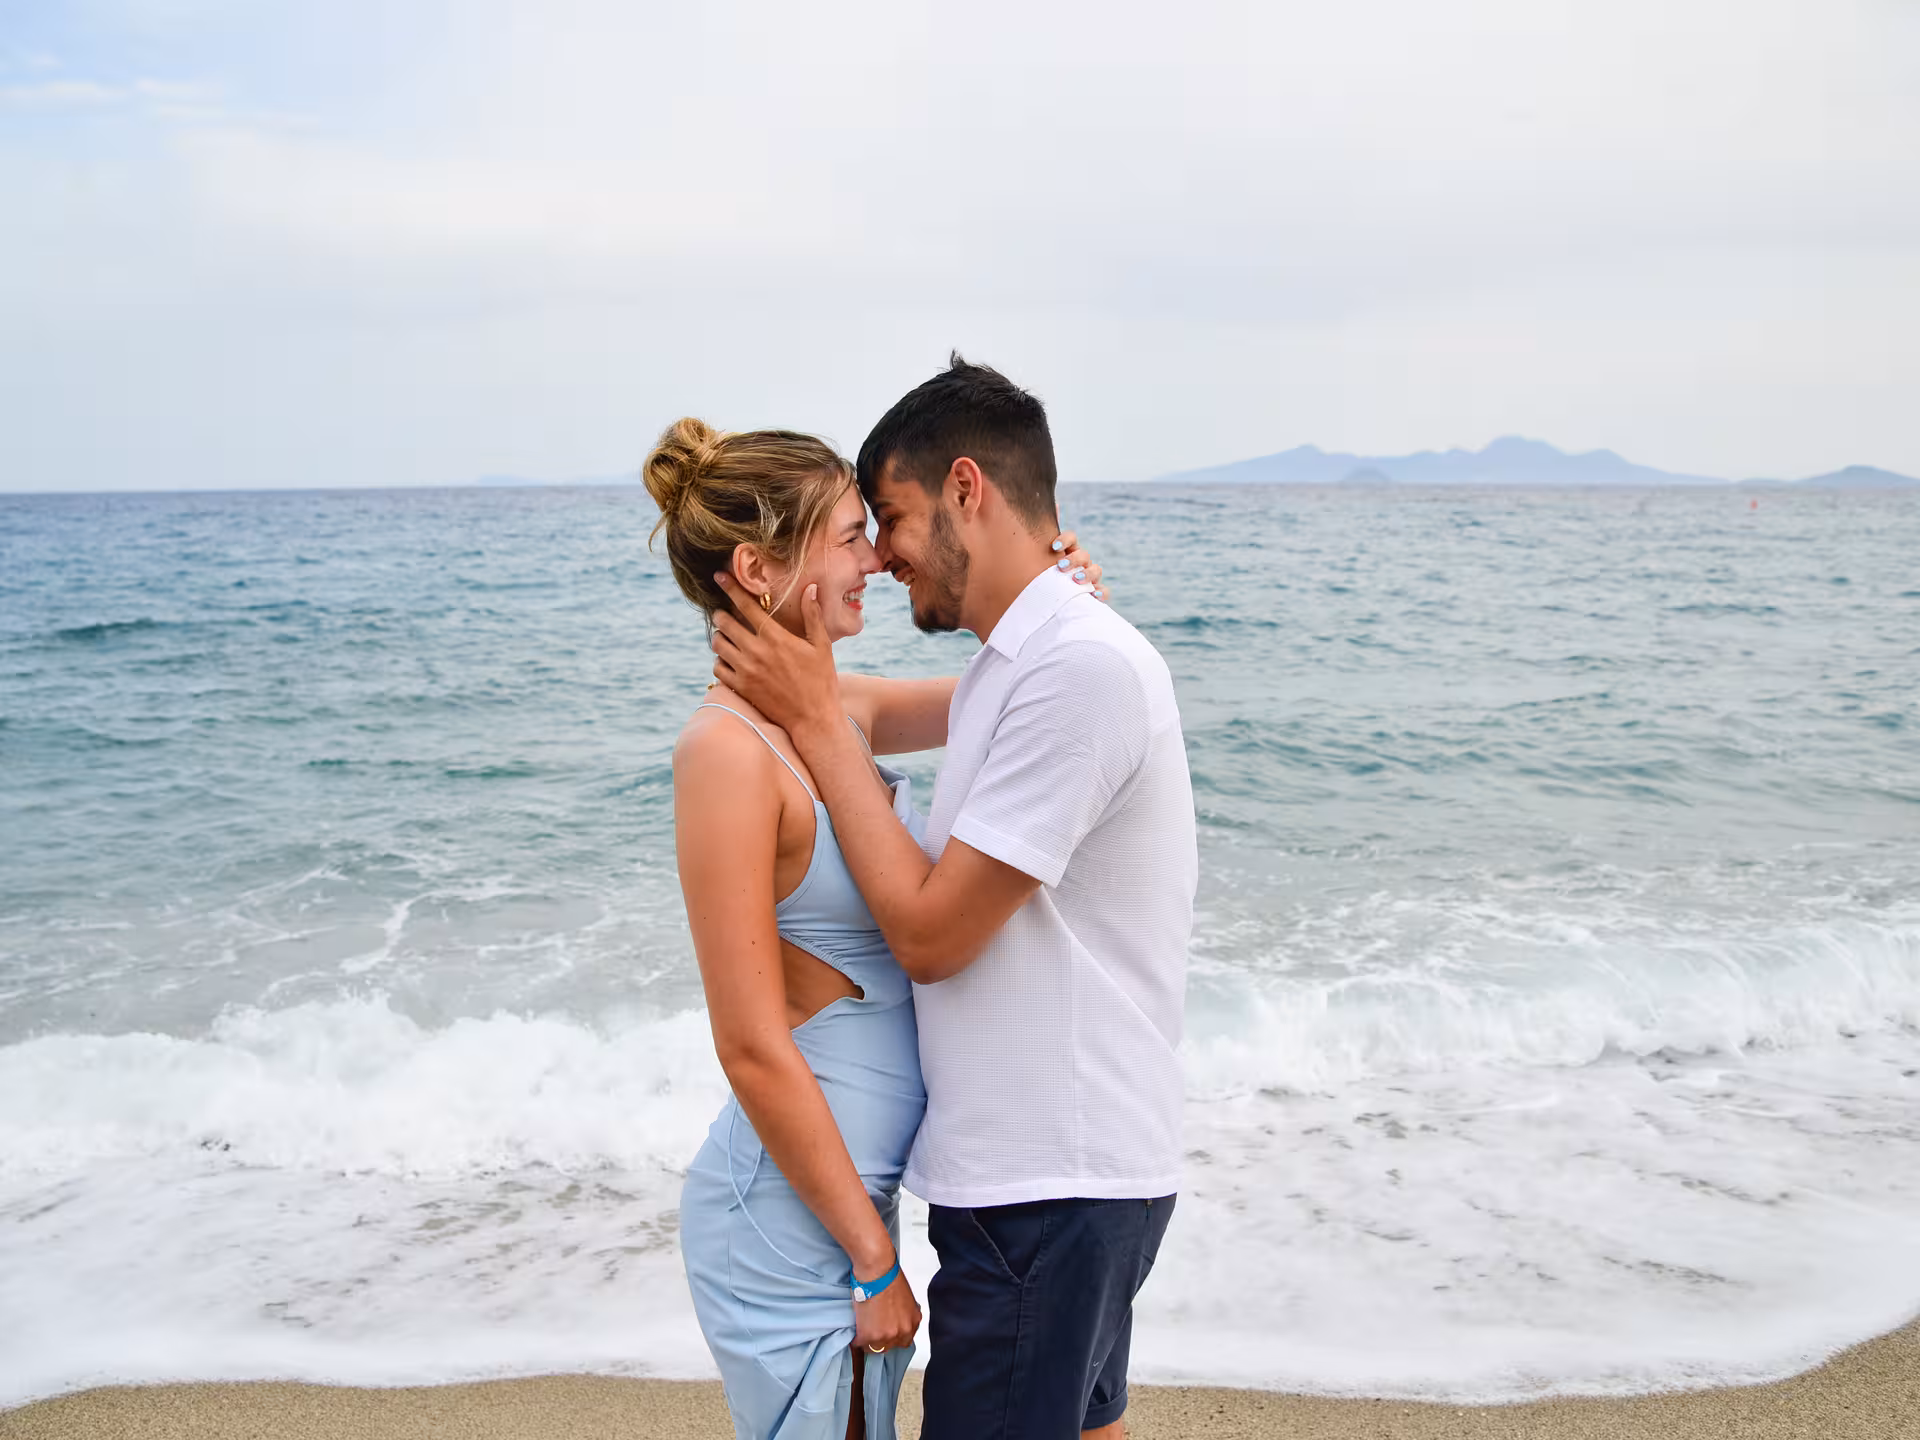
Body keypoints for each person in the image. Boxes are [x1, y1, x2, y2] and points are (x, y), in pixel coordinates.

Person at [711, 356, 1198, 1440]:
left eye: (889, 518)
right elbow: (851, 706)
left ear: (967, 489)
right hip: (1043, 1179)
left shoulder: (1074, 669)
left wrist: (826, 733)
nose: (881, 560)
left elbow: (931, 937)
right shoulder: (1020, 667)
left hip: (1051, 1184)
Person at [644, 417, 1104, 1440]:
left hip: (853, 1209)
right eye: (851, 536)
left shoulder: (835, 711)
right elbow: (751, 1046)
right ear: (759, 569)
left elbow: (1009, 695)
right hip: (788, 1227)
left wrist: (1055, 599)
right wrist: (871, 1258)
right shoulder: (723, 754)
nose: (878, 559)